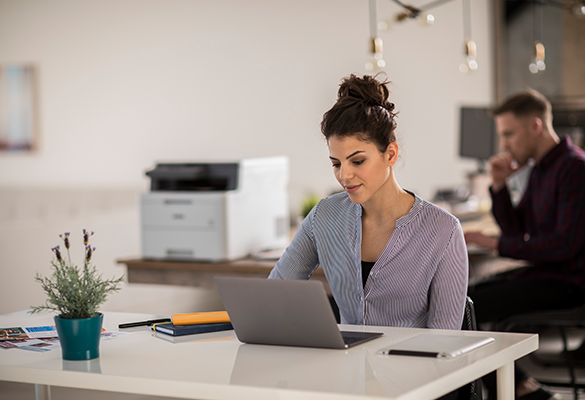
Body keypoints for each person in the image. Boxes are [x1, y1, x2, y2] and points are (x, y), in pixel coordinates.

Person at [268, 74, 469, 331]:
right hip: (345, 368)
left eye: (358, 161)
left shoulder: (444, 230)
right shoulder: (325, 217)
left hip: (416, 368)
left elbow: (445, 343)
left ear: (390, 154)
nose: (344, 175)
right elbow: (274, 294)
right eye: (336, 164)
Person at [466, 89, 585, 400]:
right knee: (464, 298)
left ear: (535, 126)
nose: (504, 145)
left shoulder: (574, 169)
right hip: (545, 276)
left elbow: (564, 245)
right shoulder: (541, 169)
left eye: (509, 134)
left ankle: (518, 388)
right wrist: (499, 186)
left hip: (569, 284)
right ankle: (521, 388)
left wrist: (495, 243)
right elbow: (516, 229)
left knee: (469, 307)